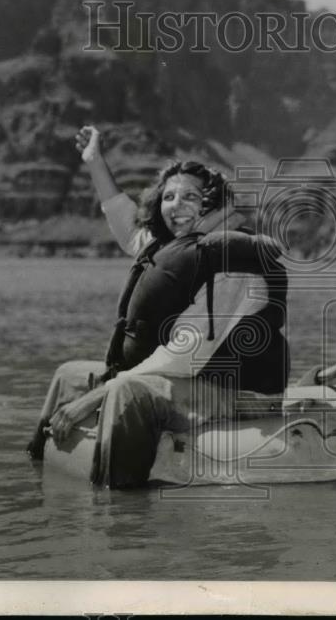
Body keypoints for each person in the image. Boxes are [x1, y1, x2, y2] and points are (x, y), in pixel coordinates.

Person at [26, 126, 289, 486]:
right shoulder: (172, 248)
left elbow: (188, 353)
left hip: (236, 390)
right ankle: (39, 478)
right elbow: (125, 223)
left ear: (211, 204)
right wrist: (95, 161)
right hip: (187, 379)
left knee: (124, 392)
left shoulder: (230, 260)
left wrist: (96, 397)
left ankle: (121, 517)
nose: (175, 206)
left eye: (189, 197)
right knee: (68, 374)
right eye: (168, 197)